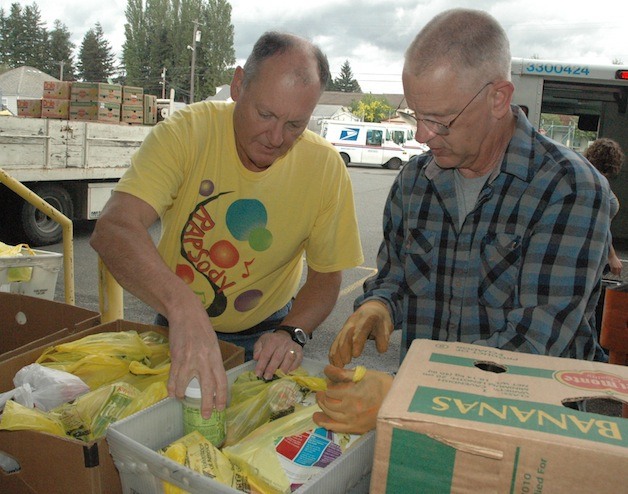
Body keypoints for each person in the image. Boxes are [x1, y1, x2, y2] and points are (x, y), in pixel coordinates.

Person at [313, 8, 613, 434]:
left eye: (439, 119)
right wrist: (381, 304)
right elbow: (399, 275)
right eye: (415, 114)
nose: (421, 135)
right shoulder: (416, 181)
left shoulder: (569, 188)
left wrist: (402, 394)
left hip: (529, 429)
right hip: (422, 425)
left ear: (498, 98)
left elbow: (530, 346)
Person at [90, 32, 363, 418]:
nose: (275, 138)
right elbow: (115, 229)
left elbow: (326, 276)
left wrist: (292, 332)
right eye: (265, 114)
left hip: (267, 333)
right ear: (238, 86)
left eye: (294, 125)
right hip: (175, 324)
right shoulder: (187, 132)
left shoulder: (324, 167)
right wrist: (183, 307)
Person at [583, 137, 624, 276]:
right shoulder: (599, 185)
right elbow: (601, 223)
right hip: (595, 250)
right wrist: (611, 256)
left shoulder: (589, 179)